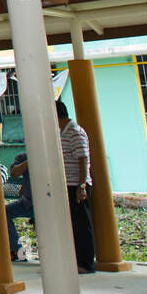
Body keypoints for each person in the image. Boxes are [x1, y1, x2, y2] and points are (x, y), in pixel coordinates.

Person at [57, 100, 95, 274]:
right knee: (71, 225)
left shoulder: (74, 132)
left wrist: (81, 186)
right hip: (66, 185)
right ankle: (74, 260)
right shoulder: (61, 132)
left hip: (76, 185)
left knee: (82, 225)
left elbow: (83, 159)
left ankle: (86, 264)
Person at [5, 151, 33, 261]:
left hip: (48, 202)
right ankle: (17, 249)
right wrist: (30, 160)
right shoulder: (24, 156)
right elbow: (14, 173)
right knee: (4, 213)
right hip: (28, 202)